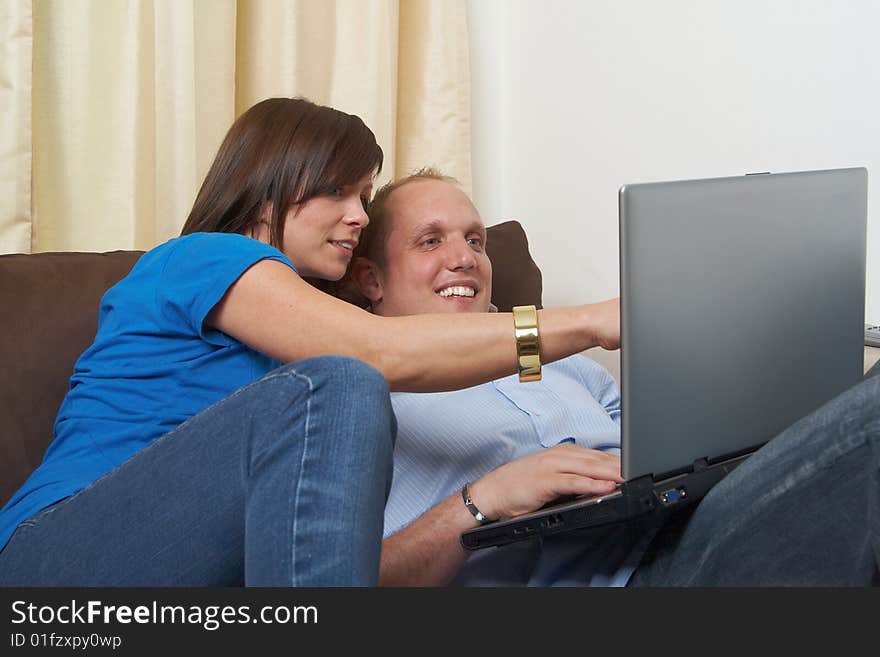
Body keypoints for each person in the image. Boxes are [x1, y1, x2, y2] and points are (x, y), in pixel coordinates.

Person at [0, 99, 622, 587]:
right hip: (56, 560)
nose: (358, 216)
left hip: (198, 576)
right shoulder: (200, 258)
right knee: (344, 380)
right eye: (339, 192)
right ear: (271, 182)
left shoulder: (310, 330)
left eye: (366, 198)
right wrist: (590, 324)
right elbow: (382, 353)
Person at [346, 168, 880, 586]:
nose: (464, 258)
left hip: (690, 523)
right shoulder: (363, 396)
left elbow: (658, 451)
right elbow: (344, 588)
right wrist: (481, 499)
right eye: (430, 242)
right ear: (371, 279)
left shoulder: (566, 363)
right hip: (632, 579)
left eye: (475, 240)